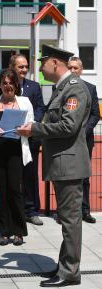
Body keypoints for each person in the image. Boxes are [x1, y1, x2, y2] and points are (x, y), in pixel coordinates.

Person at [16, 44, 91, 287]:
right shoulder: (62, 89)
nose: (39, 68)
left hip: (68, 165)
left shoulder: (75, 89)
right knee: (66, 220)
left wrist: (35, 129)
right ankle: (64, 265)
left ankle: (69, 272)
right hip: (62, 164)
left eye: (42, 62)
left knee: (70, 221)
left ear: (55, 63)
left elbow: (68, 126)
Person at [0, 68, 34, 246]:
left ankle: (19, 231)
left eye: (11, 82)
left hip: (16, 151)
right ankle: (4, 232)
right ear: (0, 85)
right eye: (4, 83)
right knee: (1, 192)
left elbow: (32, 124)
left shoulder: (25, 102)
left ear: (16, 85)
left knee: (15, 190)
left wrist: (25, 128)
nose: (8, 86)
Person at [9, 54, 45, 226]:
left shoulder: (34, 87)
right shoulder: (5, 85)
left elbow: (40, 108)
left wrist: (31, 125)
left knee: (30, 175)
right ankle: (14, 211)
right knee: (13, 176)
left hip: (30, 138)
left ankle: (31, 210)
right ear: (12, 68)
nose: (24, 70)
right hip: (12, 139)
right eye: (20, 67)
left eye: (25, 66)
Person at [68, 56, 100, 224]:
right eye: (70, 67)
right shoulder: (62, 87)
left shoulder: (90, 88)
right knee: (66, 177)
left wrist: (83, 131)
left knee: (84, 177)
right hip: (66, 140)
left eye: (76, 68)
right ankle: (65, 212)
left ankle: (85, 210)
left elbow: (95, 114)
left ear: (81, 70)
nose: (73, 71)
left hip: (84, 140)